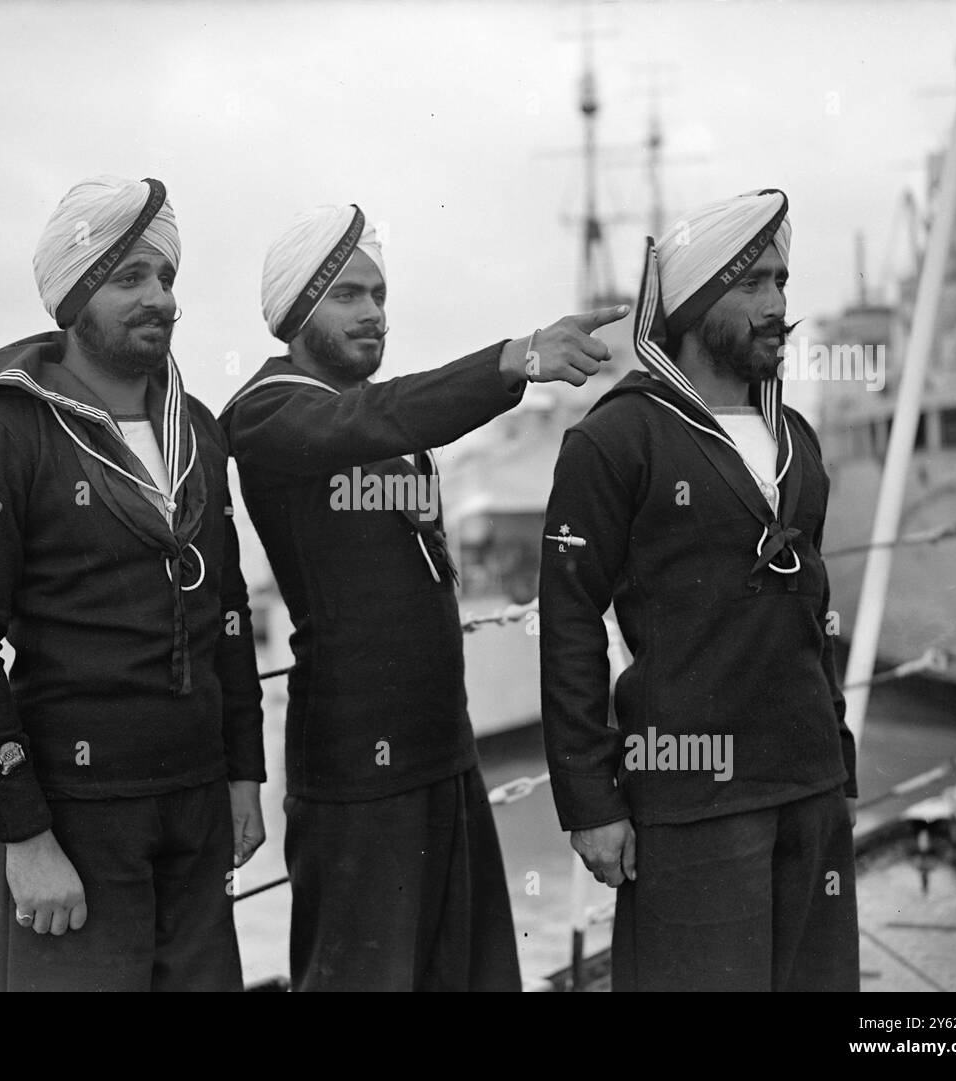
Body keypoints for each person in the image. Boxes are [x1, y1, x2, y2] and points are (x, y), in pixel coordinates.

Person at [220, 203, 627, 991]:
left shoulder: (378, 423)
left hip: (443, 751)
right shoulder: (269, 413)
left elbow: (383, 420)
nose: (372, 312)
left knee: (469, 974)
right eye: (346, 295)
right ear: (297, 311)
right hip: (356, 771)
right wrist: (514, 359)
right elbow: (363, 419)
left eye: (378, 294)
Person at [0, 175, 266, 992]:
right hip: (76, 815)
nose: (161, 298)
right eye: (128, 278)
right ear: (73, 297)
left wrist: (244, 774)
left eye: (167, 277)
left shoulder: (200, 429)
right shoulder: (0, 433)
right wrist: (26, 838)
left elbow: (228, 611)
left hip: (195, 809)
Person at [538, 189, 859, 992]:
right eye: (753, 284)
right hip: (692, 804)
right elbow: (570, 616)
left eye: (782, 282)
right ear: (695, 300)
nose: (777, 304)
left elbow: (815, 615)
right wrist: (590, 801)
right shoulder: (617, 438)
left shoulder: (798, 441)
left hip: (810, 787)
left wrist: (839, 763)